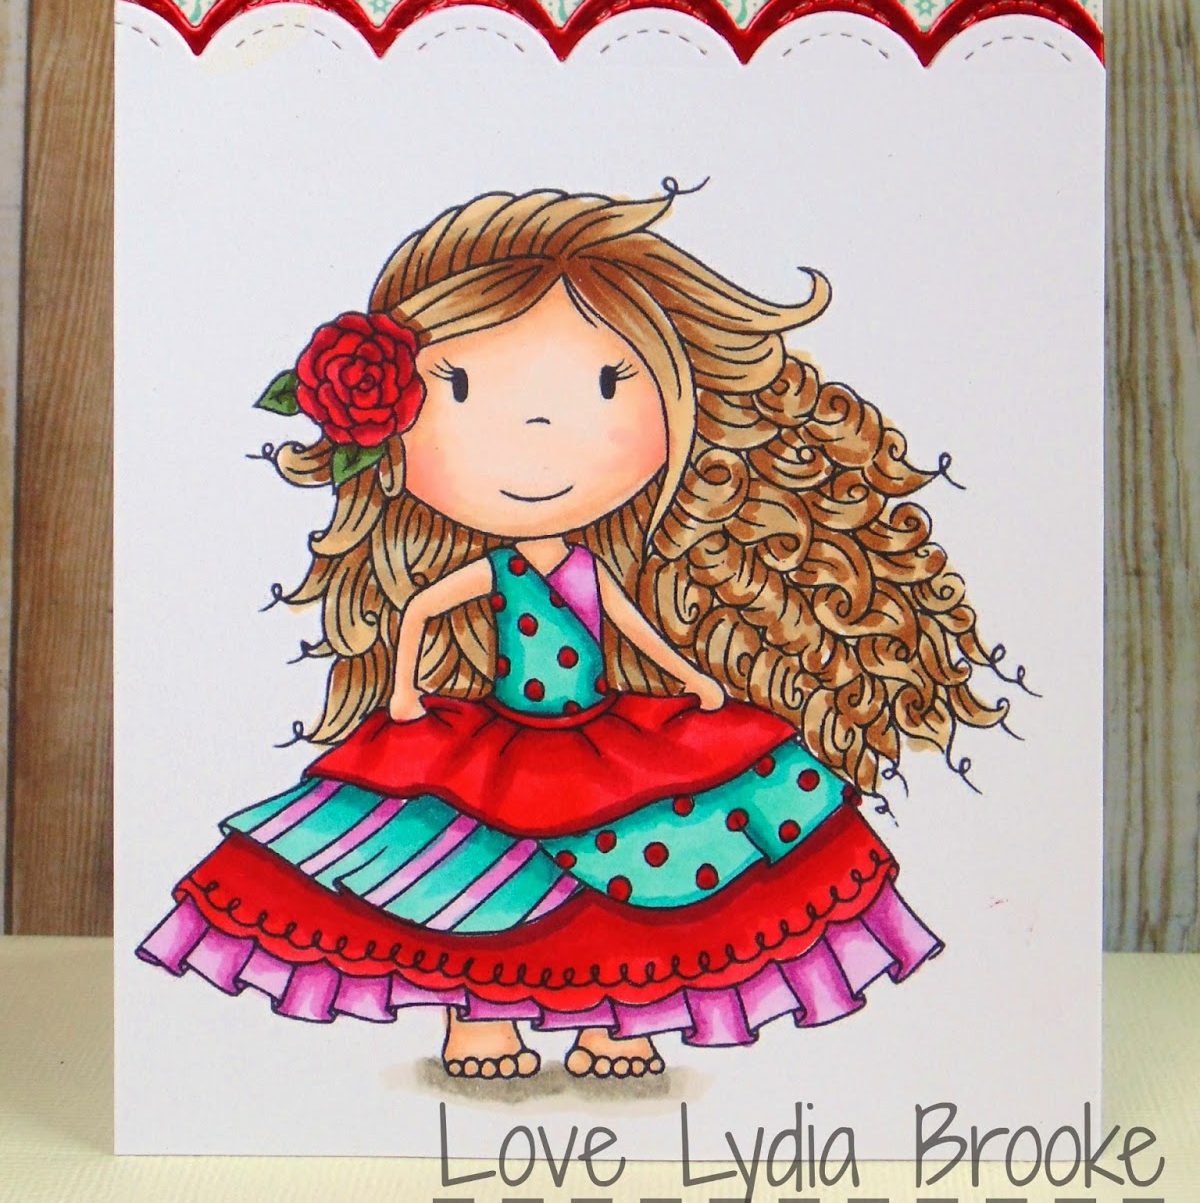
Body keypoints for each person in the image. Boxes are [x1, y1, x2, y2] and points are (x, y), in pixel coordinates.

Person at [139, 181, 1005, 1080]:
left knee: (635, 867)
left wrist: (694, 680)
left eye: (604, 385)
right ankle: (481, 1018)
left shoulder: (592, 570)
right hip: (502, 737)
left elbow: (633, 629)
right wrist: (402, 691)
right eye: (461, 389)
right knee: (472, 871)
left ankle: (619, 1016)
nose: (538, 430)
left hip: (601, 730)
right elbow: (423, 608)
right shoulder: (497, 571)